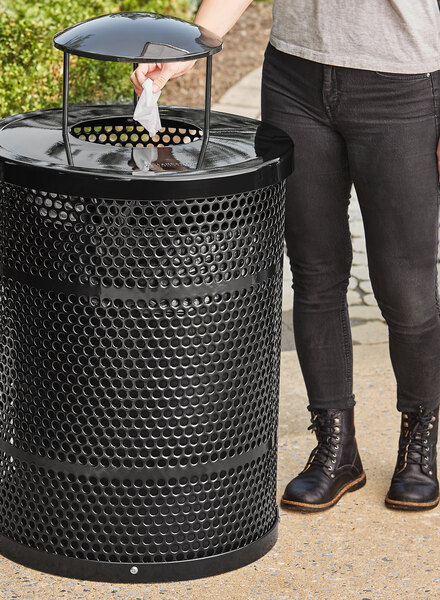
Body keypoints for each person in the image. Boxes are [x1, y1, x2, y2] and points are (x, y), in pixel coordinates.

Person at [131, 0, 440, 512]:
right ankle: (336, 450)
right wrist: (190, 43)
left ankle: (419, 446)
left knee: (406, 290)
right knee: (315, 273)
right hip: (295, 78)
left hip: (403, 84)